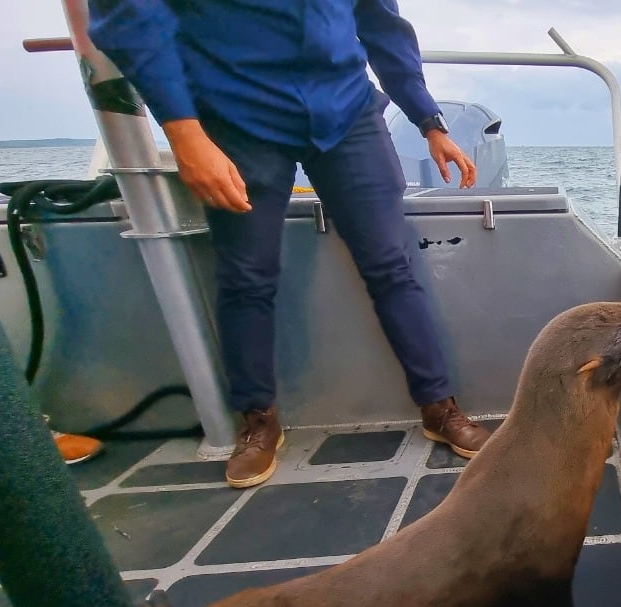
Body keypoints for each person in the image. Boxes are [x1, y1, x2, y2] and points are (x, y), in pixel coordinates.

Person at [88, 0, 493, 488]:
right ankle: (258, 419)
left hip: (346, 111)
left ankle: (438, 407)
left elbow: (382, 24)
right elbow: (132, 16)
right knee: (247, 276)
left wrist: (429, 120)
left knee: (393, 265)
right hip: (237, 113)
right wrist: (183, 131)